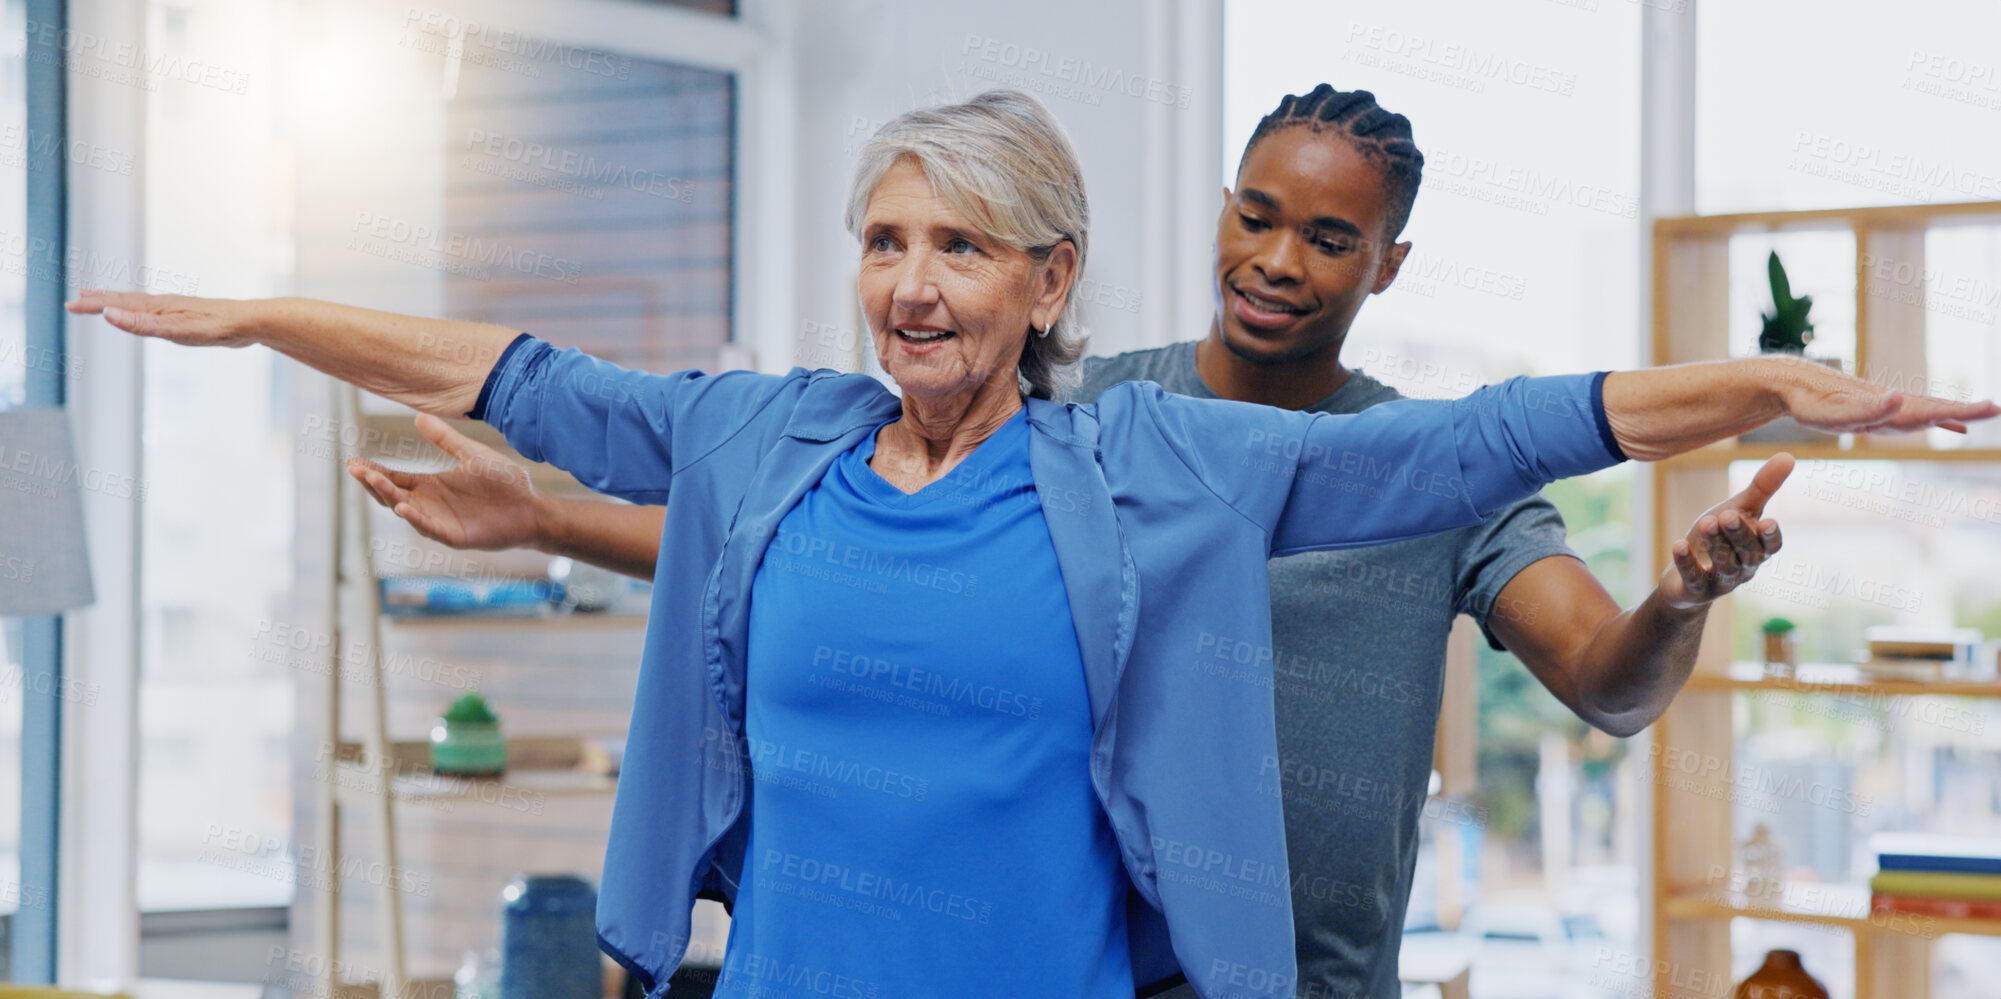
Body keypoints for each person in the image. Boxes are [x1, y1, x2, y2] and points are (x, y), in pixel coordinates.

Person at [69, 89, 1994, 999]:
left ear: (1046, 278)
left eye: (959, 247)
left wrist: (1758, 388)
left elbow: (1493, 441)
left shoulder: (1157, 459)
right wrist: (265, 316)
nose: (909, 286)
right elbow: (517, 368)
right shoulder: (764, 434)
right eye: (886, 241)